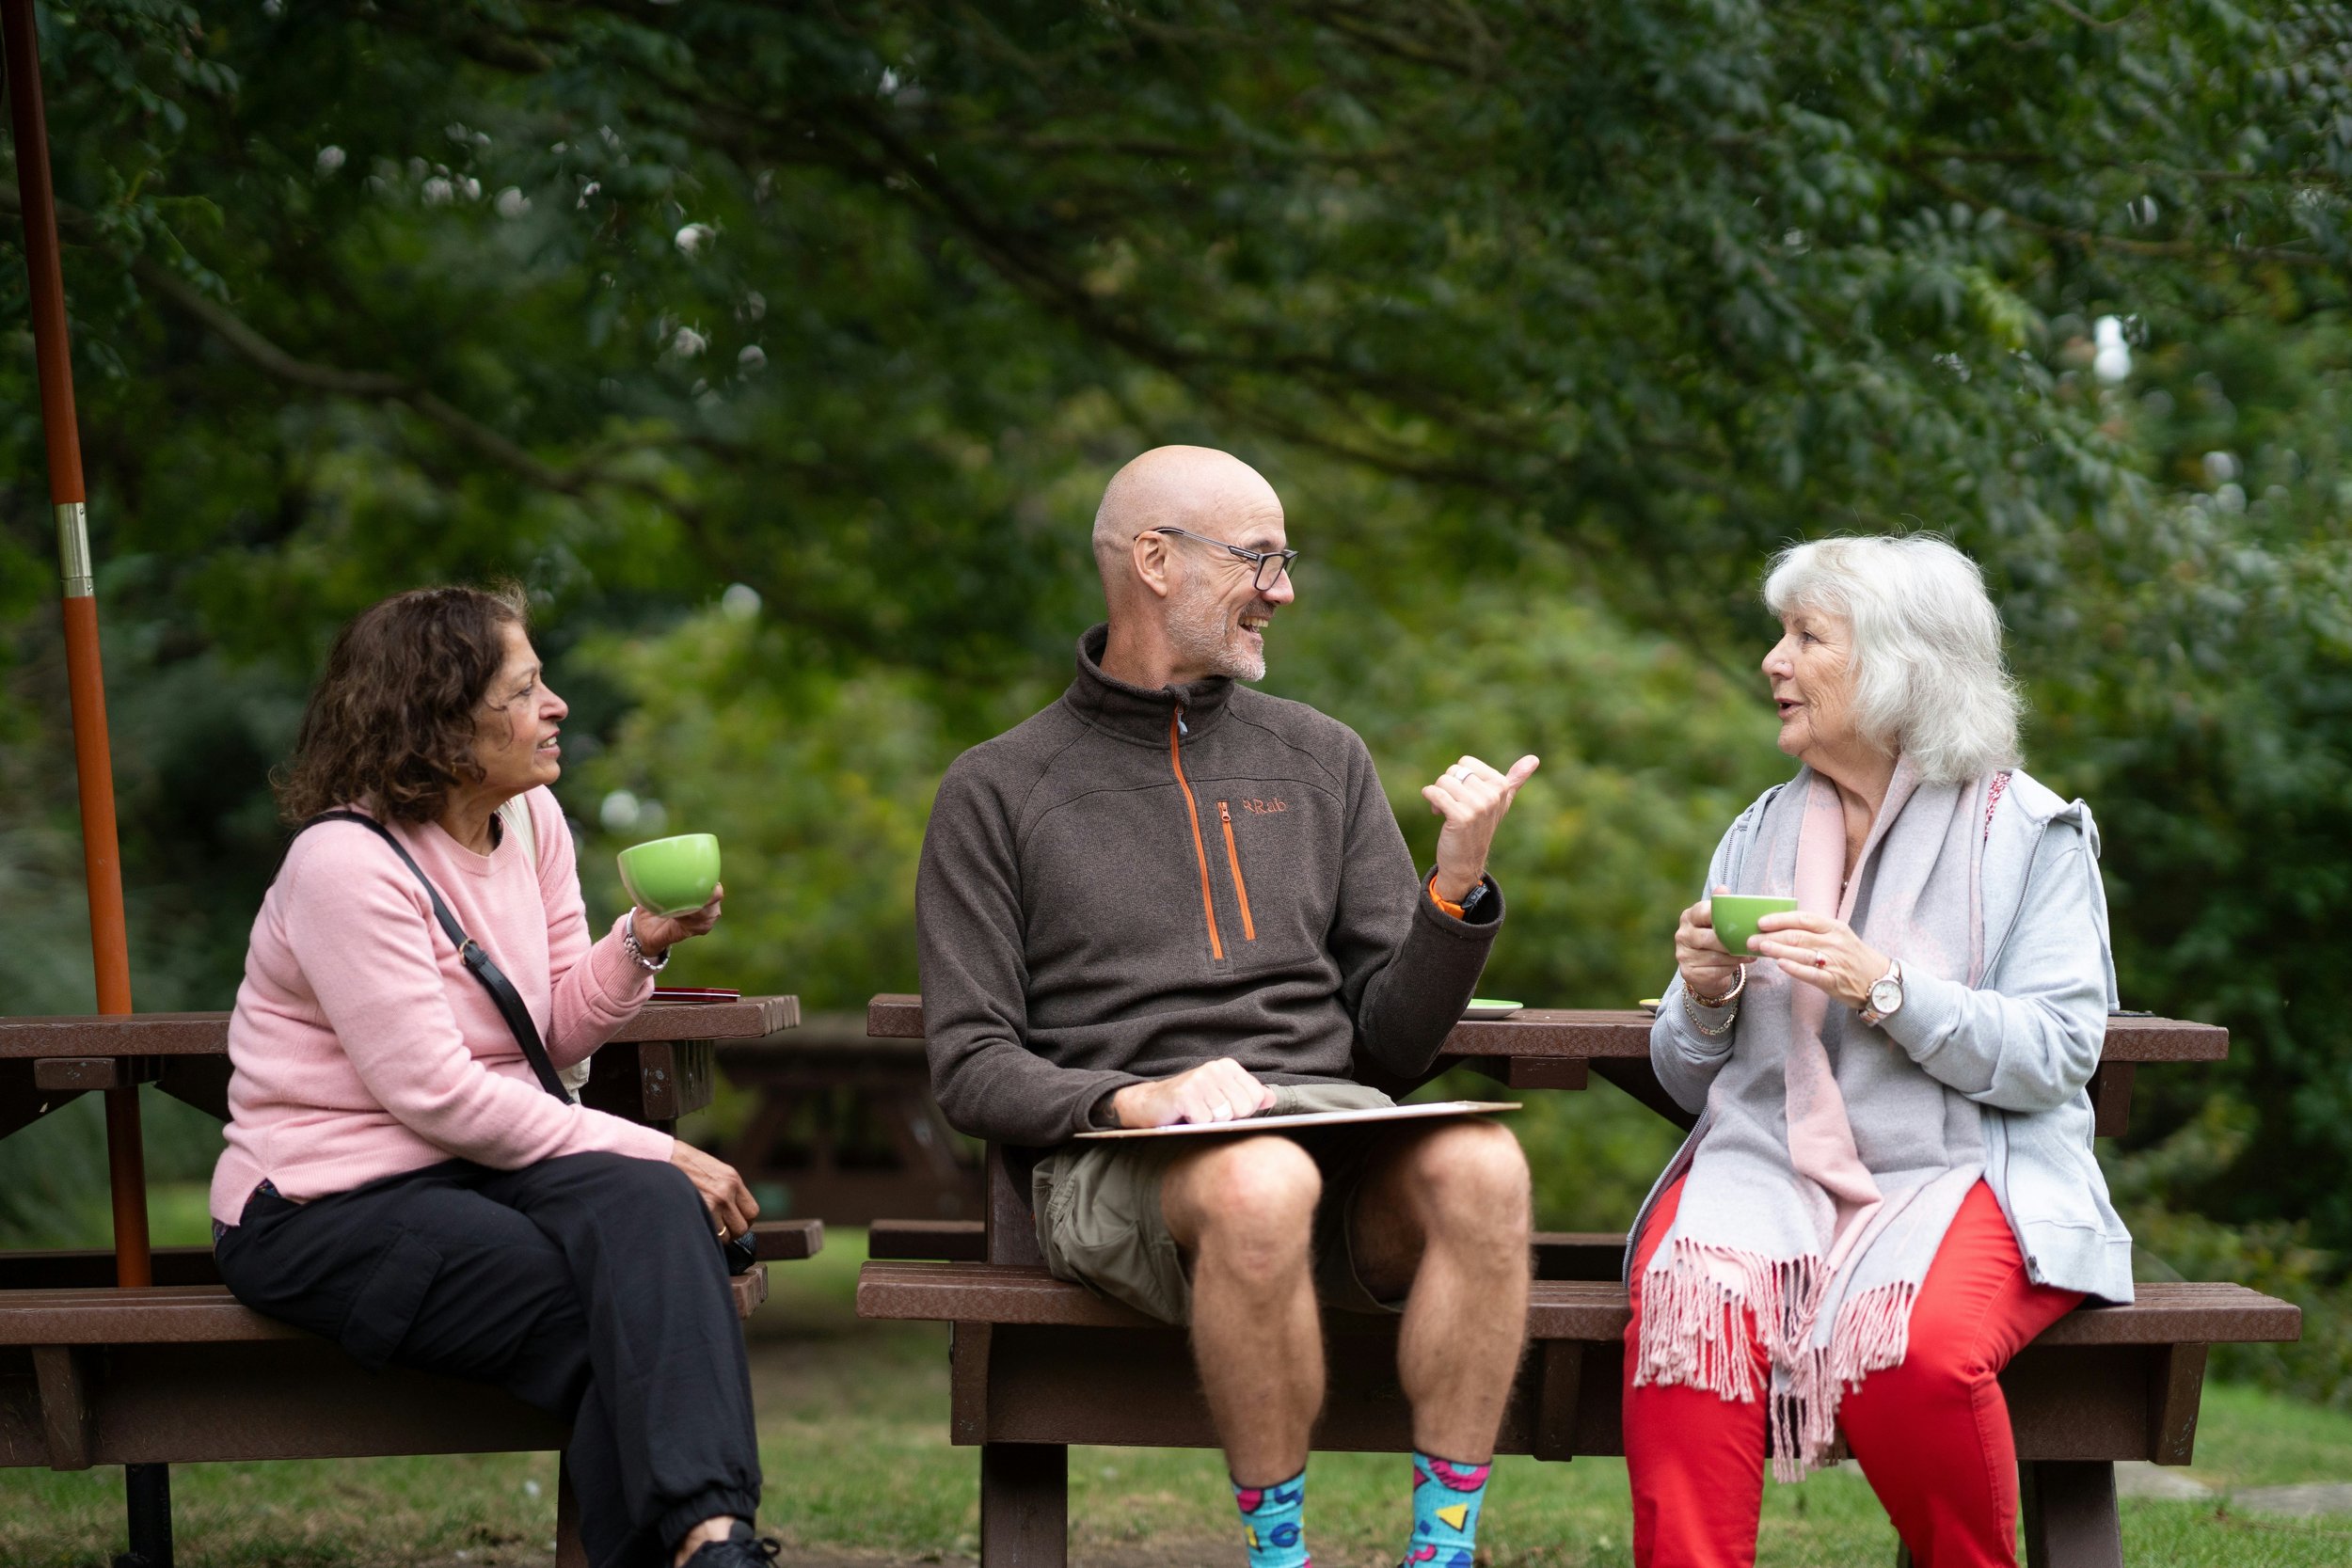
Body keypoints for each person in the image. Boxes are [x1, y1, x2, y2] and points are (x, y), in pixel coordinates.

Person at [917, 445, 1539, 1568]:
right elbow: (967, 1061)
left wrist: (1452, 889)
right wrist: (1135, 1096)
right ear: (1153, 561)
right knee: (1261, 1177)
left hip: (1332, 1125)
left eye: (1284, 558)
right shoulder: (997, 788)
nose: (1283, 588)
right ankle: (1278, 1555)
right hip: (1128, 1164)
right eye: (1259, 557)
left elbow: (1392, 1045)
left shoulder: (1323, 757)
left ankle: (1442, 1553)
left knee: (1487, 1164)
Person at [209, 585, 772, 1568]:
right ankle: (713, 1540)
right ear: (438, 717)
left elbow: (549, 1033)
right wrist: (662, 1144)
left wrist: (637, 945)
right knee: (635, 1302)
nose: (554, 705)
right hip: (324, 1204)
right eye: (525, 689)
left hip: (481, 1169)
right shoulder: (346, 865)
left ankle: (711, 1539)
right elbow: (436, 1095)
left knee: (645, 1220)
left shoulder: (536, 819)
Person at [1627, 535, 2129, 1568]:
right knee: (1690, 1326)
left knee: (1916, 1357)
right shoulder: (1757, 831)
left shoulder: (2029, 833)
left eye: (1806, 636)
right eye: (1781, 634)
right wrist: (1706, 998)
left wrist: (1884, 986)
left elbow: (2056, 1051)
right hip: (1758, 1163)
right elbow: (1685, 1079)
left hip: (1969, 1167)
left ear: (1900, 666)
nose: (1773, 660)